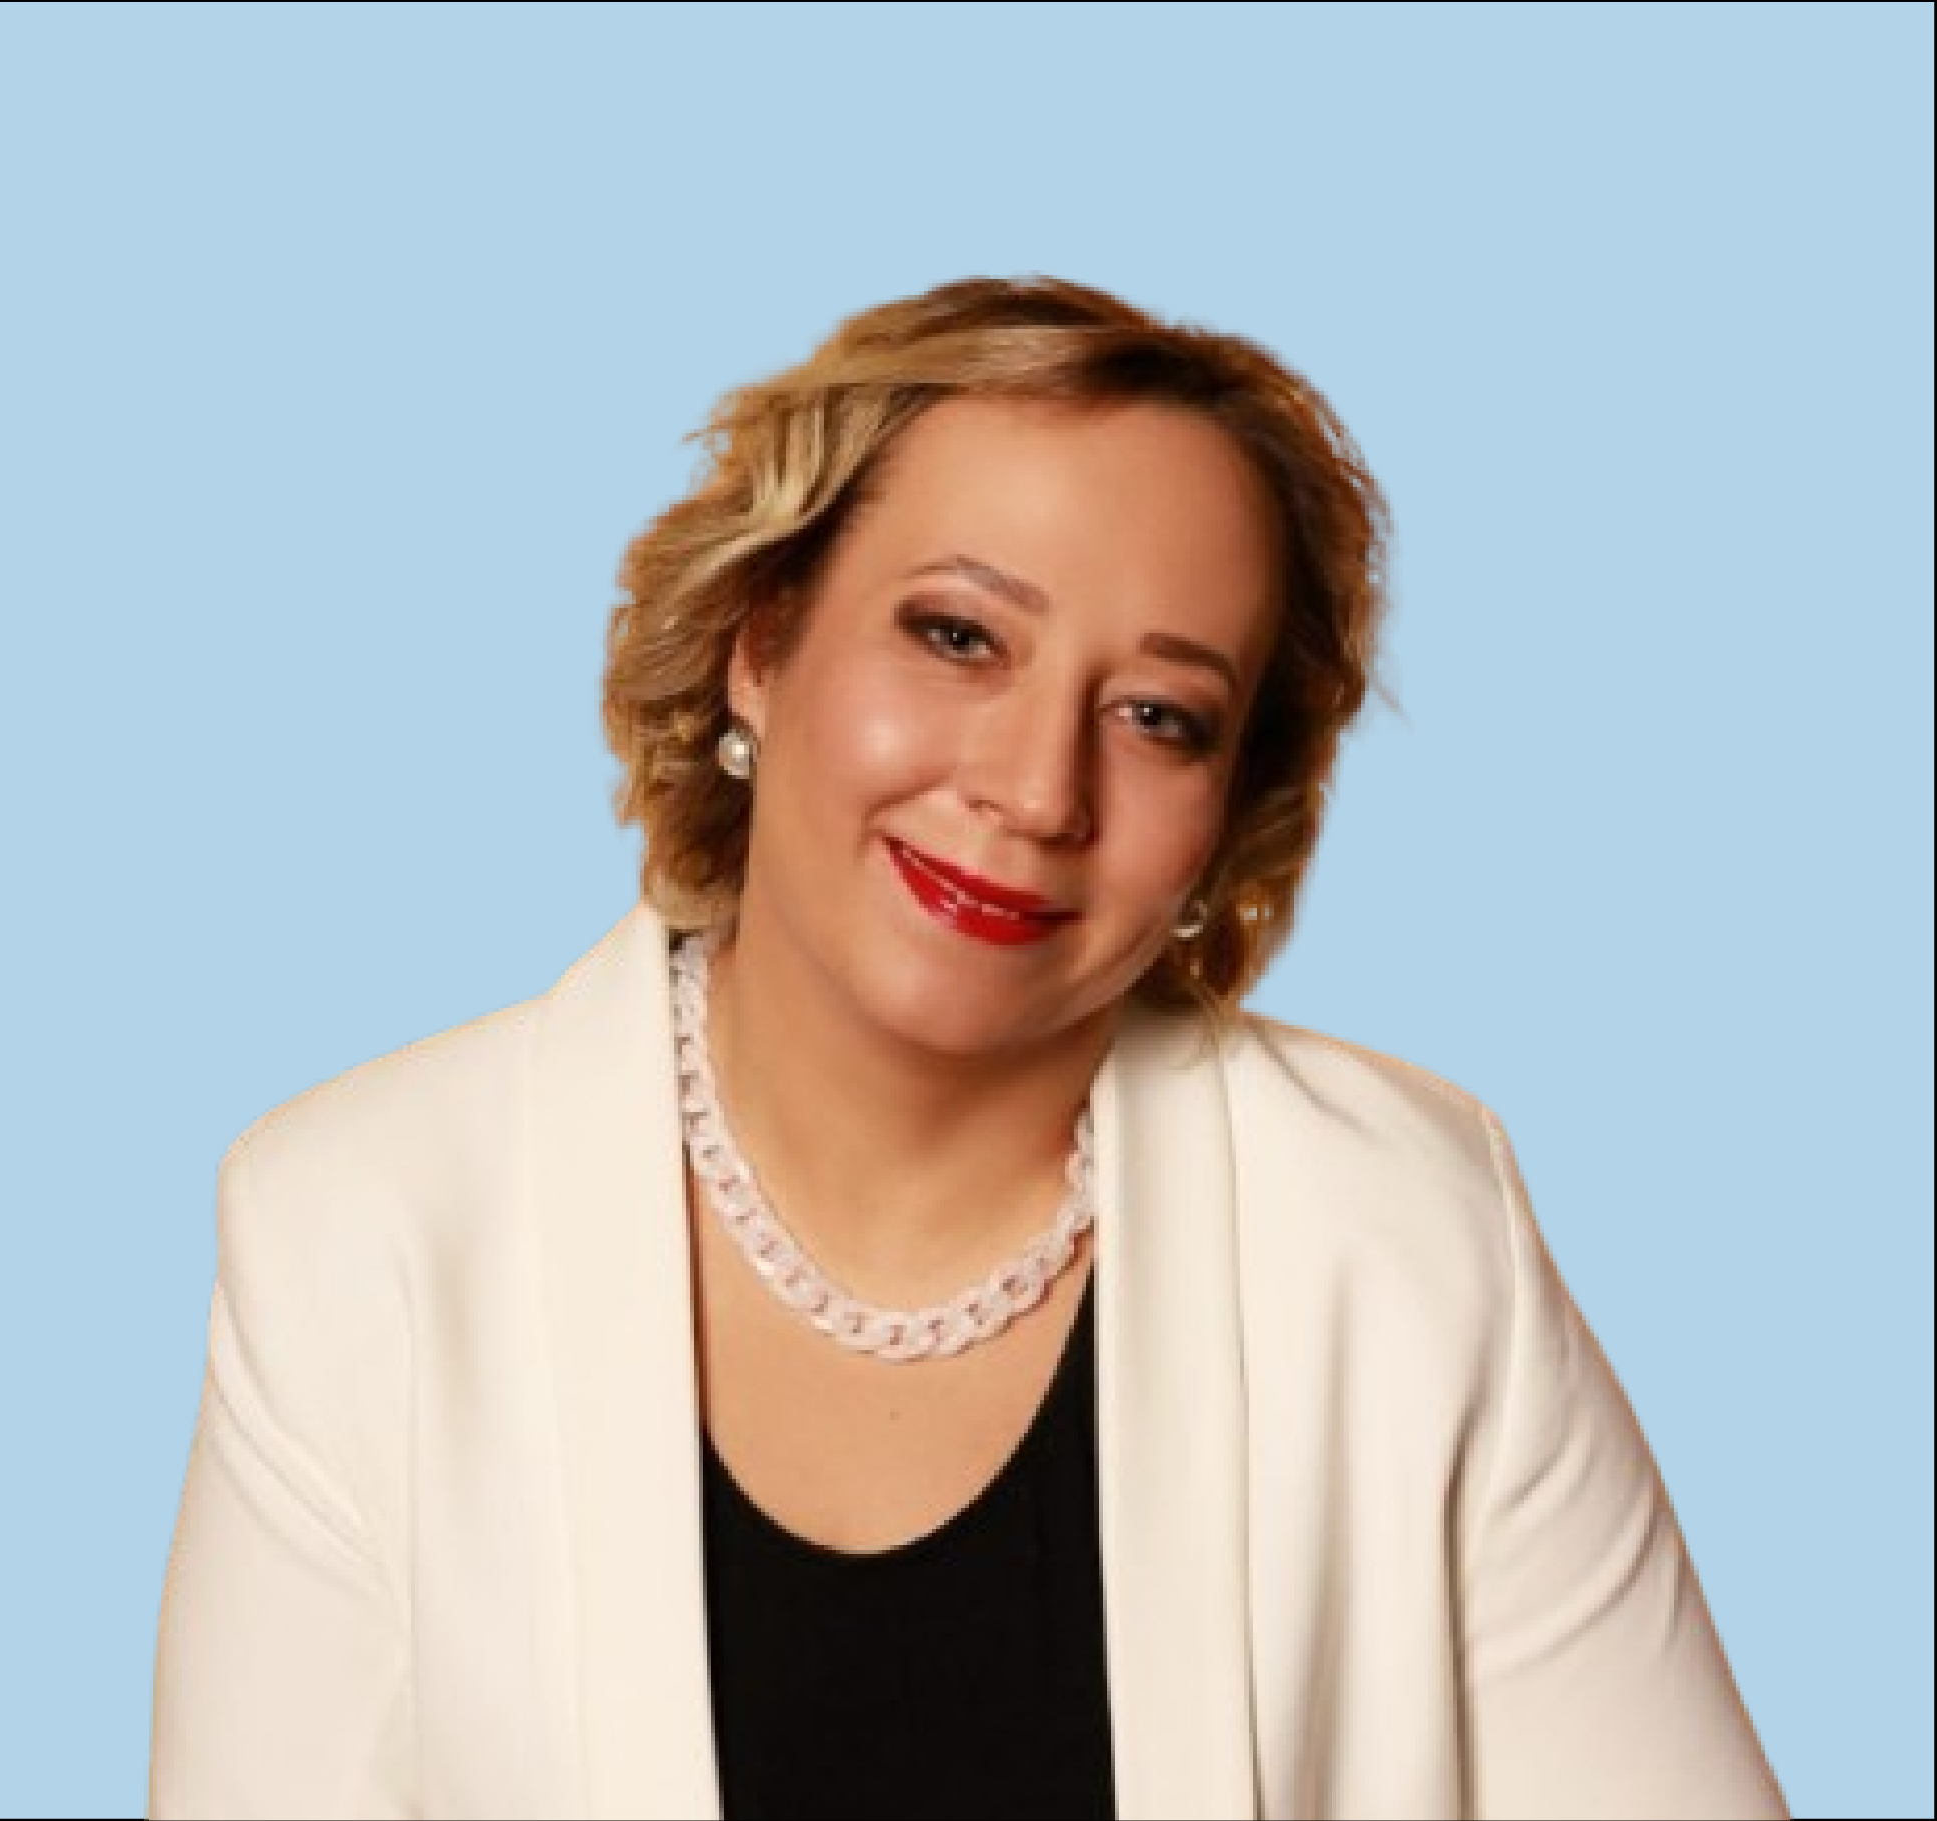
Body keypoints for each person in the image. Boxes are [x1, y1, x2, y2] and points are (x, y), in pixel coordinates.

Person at [147, 275, 1788, 1820]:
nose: (1036, 788)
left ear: (1229, 810)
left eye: (1159, 716)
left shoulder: (1407, 1233)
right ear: (762, 640)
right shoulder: (353, 1229)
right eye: (957, 636)